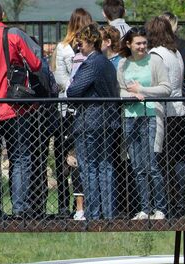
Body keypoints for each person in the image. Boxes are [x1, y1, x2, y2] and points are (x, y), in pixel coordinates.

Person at [0, 0, 42, 217]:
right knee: (21, 157)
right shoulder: (14, 35)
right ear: (2, 14)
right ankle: (20, 207)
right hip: (15, 107)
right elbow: (36, 64)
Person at [117, 26, 172, 220]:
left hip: (150, 117)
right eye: (138, 43)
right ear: (129, 44)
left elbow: (166, 88)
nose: (142, 47)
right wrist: (132, 95)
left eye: (144, 43)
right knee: (137, 166)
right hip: (130, 117)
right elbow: (120, 91)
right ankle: (144, 207)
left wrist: (143, 90)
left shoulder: (155, 61)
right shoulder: (123, 64)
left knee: (152, 165)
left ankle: (160, 207)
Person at [67, 23, 119, 220]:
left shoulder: (92, 63)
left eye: (81, 43)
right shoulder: (106, 63)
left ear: (91, 42)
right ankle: (108, 213)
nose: (79, 47)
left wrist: (73, 85)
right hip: (107, 120)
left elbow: (73, 91)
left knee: (89, 166)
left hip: (90, 120)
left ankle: (94, 214)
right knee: (105, 166)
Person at [147, 16, 185, 217]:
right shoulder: (176, 53)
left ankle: (170, 203)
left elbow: (155, 82)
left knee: (165, 161)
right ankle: (183, 202)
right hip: (180, 110)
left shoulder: (156, 54)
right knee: (180, 160)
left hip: (166, 113)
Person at [53, 8, 93, 220]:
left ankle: (84, 203)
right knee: (65, 158)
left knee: (81, 157)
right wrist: (78, 88)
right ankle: (63, 202)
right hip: (67, 108)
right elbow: (61, 78)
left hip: (86, 109)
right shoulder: (63, 48)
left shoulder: (91, 48)